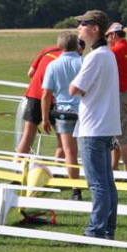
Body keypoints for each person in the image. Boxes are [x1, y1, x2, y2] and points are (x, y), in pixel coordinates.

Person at [70, 10, 120, 239]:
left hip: (92, 127)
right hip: (105, 125)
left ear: (94, 29)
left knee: (98, 184)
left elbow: (74, 89)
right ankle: (107, 229)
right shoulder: (108, 54)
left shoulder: (95, 57)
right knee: (107, 184)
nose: (79, 27)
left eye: (82, 24)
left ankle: (95, 230)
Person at [41, 30, 83, 200]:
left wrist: (44, 118)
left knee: (70, 152)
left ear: (59, 46)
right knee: (88, 151)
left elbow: (46, 95)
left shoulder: (53, 65)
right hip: (85, 112)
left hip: (64, 114)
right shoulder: (84, 62)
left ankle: (76, 190)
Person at [105, 22, 127, 171]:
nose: (108, 40)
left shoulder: (114, 51)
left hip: (122, 96)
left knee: (122, 137)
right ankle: (114, 167)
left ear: (114, 35)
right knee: (117, 134)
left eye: (108, 37)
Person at [16, 43, 61, 155]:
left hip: (34, 95)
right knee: (63, 139)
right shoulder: (75, 58)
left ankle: (17, 167)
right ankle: (58, 171)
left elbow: (30, 73)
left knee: (27, 135)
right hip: (54, 100)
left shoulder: (48, 49)